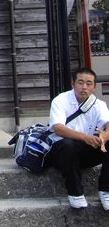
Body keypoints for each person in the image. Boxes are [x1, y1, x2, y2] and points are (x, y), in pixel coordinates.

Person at [46, 67, 109, 209]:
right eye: (80, 82)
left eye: (89, 83)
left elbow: (108, 123)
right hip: (61, 153)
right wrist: (85, 138)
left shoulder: (99, 105)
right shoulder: (60, 100)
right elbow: (58, 128)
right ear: (73, 83)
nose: (84, 87)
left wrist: (104, 136)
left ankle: (106, 190)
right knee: (68, 144)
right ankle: (75, 193)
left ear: (94, 87)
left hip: (84, 152)